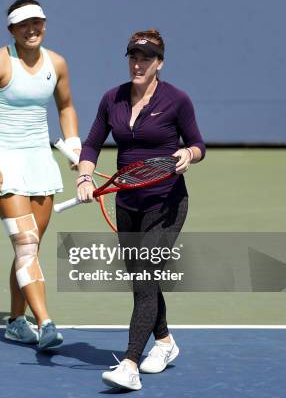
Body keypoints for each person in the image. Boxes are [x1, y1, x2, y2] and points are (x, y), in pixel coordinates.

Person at [76, 29, 206, 389]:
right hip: (127, 203)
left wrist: (187, 154)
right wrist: (85, 179)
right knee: (141, 279)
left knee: (146, 273)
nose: (138, 63)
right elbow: (91, 144)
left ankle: (130, 363)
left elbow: (197, 144)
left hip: (166, 203)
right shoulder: (112, 99)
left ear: (159, 63)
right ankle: (164, 342)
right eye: (133, 56)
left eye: (146, 58)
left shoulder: (177, 100)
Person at [0, 0, 80, 350]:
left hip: (41, 164)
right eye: (24, 25)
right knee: (25, 243)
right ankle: (45, 322)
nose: (32, 30)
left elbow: (65, 106)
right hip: (5, 162)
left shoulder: (58, 63)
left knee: (29, 249)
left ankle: (16, 322)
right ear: (11, 31)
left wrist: (74, 145)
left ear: (45, 25)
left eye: (37, 23)